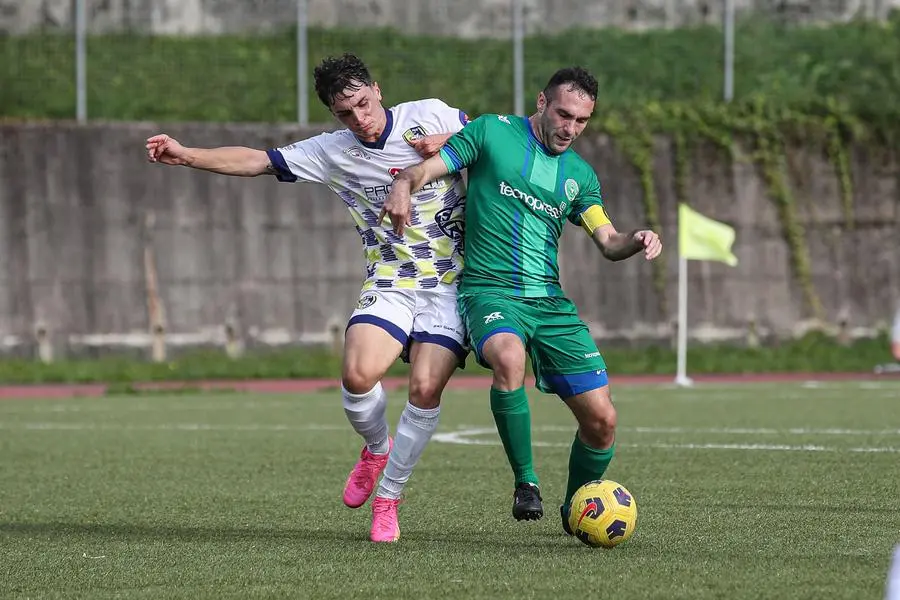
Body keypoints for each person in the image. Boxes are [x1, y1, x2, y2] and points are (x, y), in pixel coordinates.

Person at [146, 54, 470, 543]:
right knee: (358, 376)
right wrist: (187, 154)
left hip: (449, 286)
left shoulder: (432, 114)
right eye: (345, 113)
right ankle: (376, 449)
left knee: (425, 389)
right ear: (333, 116)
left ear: (378, 90)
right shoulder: (332, 150)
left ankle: (388, 498)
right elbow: (259, 160)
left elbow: (496, 135)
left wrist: (445, 144)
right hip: (390, 282)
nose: (360, 120)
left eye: (363, 104)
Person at [381, 67, 662, 535]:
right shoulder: (492, 132)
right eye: (564, 114)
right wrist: (404, 183)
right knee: (509, 358)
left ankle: (578, 510)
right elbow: (432, 166)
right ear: (541, 103)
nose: (570, 129)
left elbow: (608, 241)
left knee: (603, 421)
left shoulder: (578, 176)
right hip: (489, 291)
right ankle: (525, 483)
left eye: (582, 121)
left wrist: (637, 238)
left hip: (550, 304)